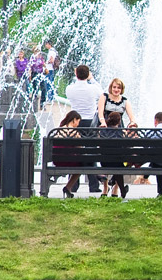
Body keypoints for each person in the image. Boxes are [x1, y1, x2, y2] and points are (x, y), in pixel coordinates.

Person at [65, 64, 103, 193]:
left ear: (76, 74)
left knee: (75, 154)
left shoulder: (69, 89)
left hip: (75, 123)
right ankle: (94, 186)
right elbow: (102, 93)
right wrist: (91, 79)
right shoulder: (93, 89)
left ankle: (73, 186)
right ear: (87, 75)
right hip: (90, 124)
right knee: (90, 154)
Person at [55, 110, 84, 198]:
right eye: (78, 122)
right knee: (82, 165)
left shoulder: (58, 130)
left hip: (57, 161)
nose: (78, 125)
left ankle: (68, 188)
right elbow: (80, 148)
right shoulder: (74, 132)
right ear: (75, 119)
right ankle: (68, 187)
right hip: (70, 161)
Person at [100, 111, 129, 198]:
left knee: (115, 163)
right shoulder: (122, 132)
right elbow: (126, 149)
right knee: (124, 164)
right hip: (118, 163)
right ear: (119, 121)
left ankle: (107, 189)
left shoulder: (102, 132)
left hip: (104, 163)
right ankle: (121, 189)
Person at [43, 40, 59, 106]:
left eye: (46, 44)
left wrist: (46, 63)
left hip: (49, 69)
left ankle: (50, 98)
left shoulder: (51, 52)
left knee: (48, 83)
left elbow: (51, 60)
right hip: (51, 69)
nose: (45, 46)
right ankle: (52, 97)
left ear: (49, 44)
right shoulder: (53, 51)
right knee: (50, 83)